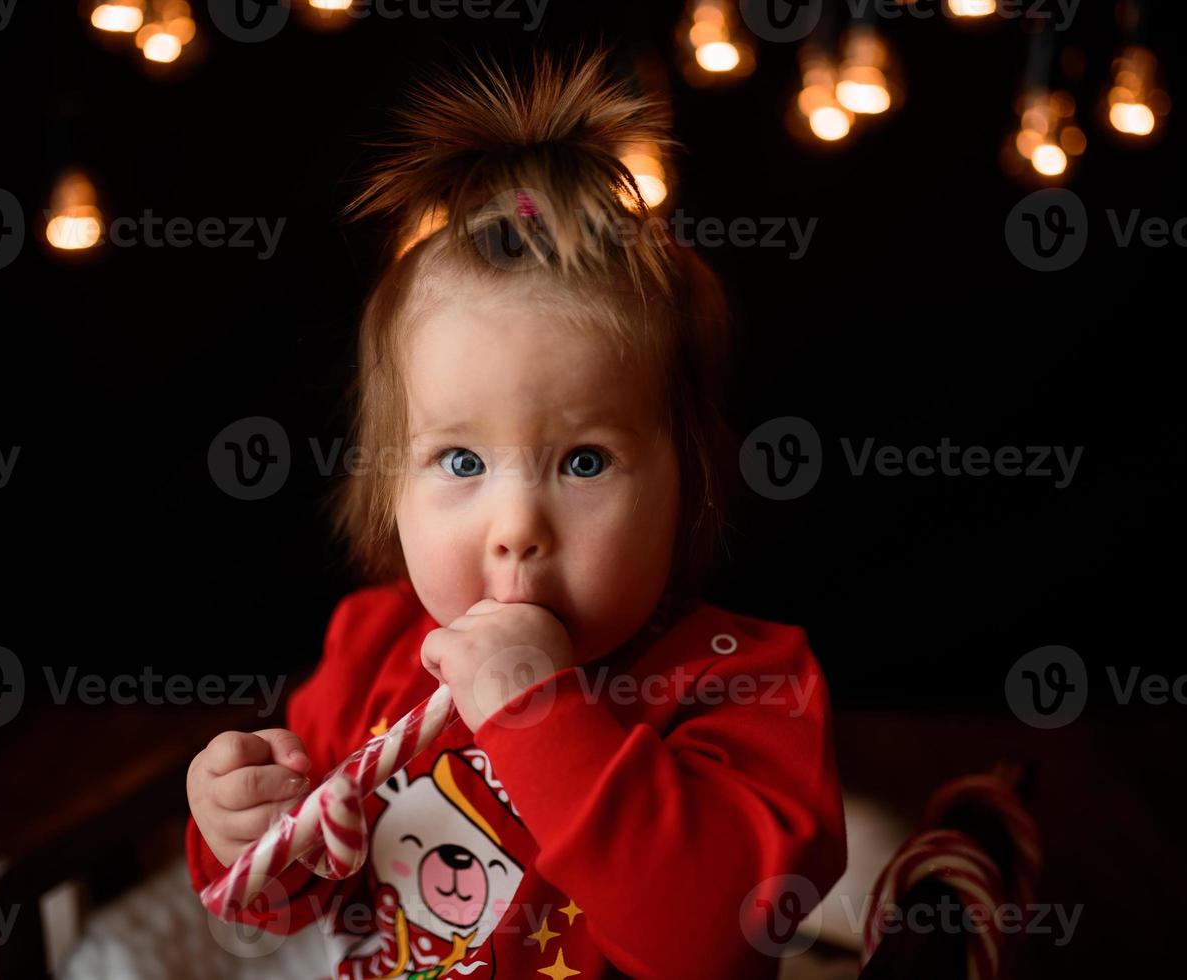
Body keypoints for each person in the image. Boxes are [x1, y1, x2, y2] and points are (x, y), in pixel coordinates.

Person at [185, 45, 847, 979]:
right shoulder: (373, 651)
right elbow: (286, 898)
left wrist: (542, 714)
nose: (516, 526)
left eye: (584, 460)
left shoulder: (744, 687)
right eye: (460, 459)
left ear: (688, 481)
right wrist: (238, 825)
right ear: (390, 490)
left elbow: (713, 939)